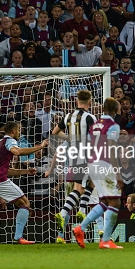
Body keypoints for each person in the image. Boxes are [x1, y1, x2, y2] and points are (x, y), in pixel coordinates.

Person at [72, 97, 124, 249]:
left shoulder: (94, 125)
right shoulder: (113, 126)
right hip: (105, 163)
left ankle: (81, 228)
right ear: (115, 110)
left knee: (105, 201)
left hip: (92, 163)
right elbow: (112, 149)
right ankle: (105, 240)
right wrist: (118, 173)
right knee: (115, 202)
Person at [51, 89, 97, 244]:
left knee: (86, 184)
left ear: (77, 100)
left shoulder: (68, 116)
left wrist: (70, 138)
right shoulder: (90, 117)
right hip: (85, 154)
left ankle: (81, 212)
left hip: (73, 155)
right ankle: (65, 213)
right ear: (89, 102)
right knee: (79, 189)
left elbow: (55, 132)